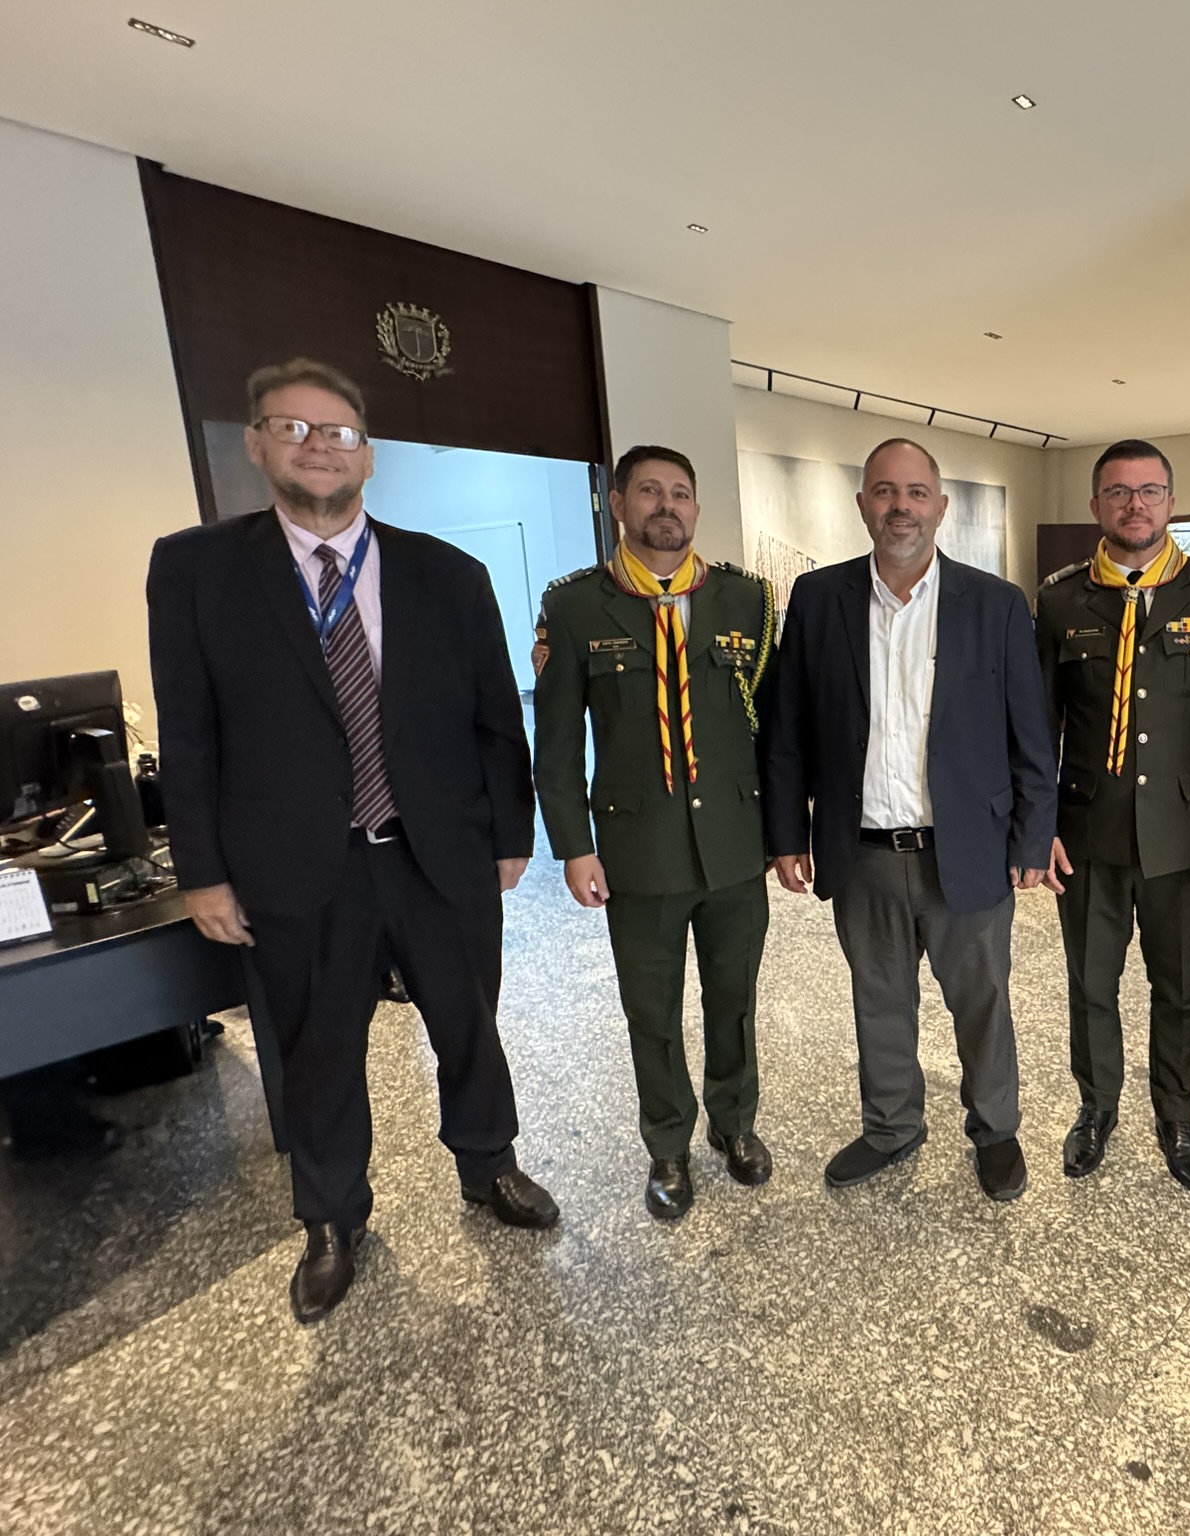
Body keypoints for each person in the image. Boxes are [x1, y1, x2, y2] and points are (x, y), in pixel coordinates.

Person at [146, 358, 558, 1326]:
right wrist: (202, 871)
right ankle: (331, 1217)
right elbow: (188, 731)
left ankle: (488, 1164)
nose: (318, 446)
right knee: (317, 1048)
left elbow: (496, 720)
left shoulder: (448, 575)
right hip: (296, 863)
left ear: (368, 456)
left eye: (338, 431)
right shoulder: (198, 569)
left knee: (470, 1023)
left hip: (435, 853)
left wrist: (511, 834)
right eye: (293, 427)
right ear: (257, 445)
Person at [760, 438, 1056, 1202]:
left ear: (940, 507)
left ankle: (996, 1130)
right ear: (863, 504)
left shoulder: (995, 604)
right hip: (861, 853)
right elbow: (788, 729)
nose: (901, 507)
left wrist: (1032, 837)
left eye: (916, 492)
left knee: (983, 1002)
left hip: (968, 851)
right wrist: (786, 834)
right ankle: (891, 1127)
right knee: (880, 1002)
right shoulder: (817, 600)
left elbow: (1031, 737)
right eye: (886, 492)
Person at [531, 445, 777, 1221]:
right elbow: (556, 743)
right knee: (653, 1011)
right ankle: (667, 1143)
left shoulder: (748, 600)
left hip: (735, 844)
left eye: (680, 493)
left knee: (734, 1000)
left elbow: (775, 728)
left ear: (696, 508)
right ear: (618, 505)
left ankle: (734, 1124)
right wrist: (573, 845)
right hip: (638, 851)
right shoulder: (576, 607)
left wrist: (786, 832)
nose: (666, 506)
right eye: (648, 491)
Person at [1035, 439, 1190, 1189]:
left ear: (1171, 502)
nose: (1135, 505)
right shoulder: (1061, 598)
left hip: (1186, 833)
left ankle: (1176, 1114)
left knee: (1178, 986)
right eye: (1119, 492)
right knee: (1091, 983)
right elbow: (1040, 726)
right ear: (1095, 504)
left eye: (1150, 490)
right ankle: (1096, 1107)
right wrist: (1038, 827)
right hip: (1087, 831)